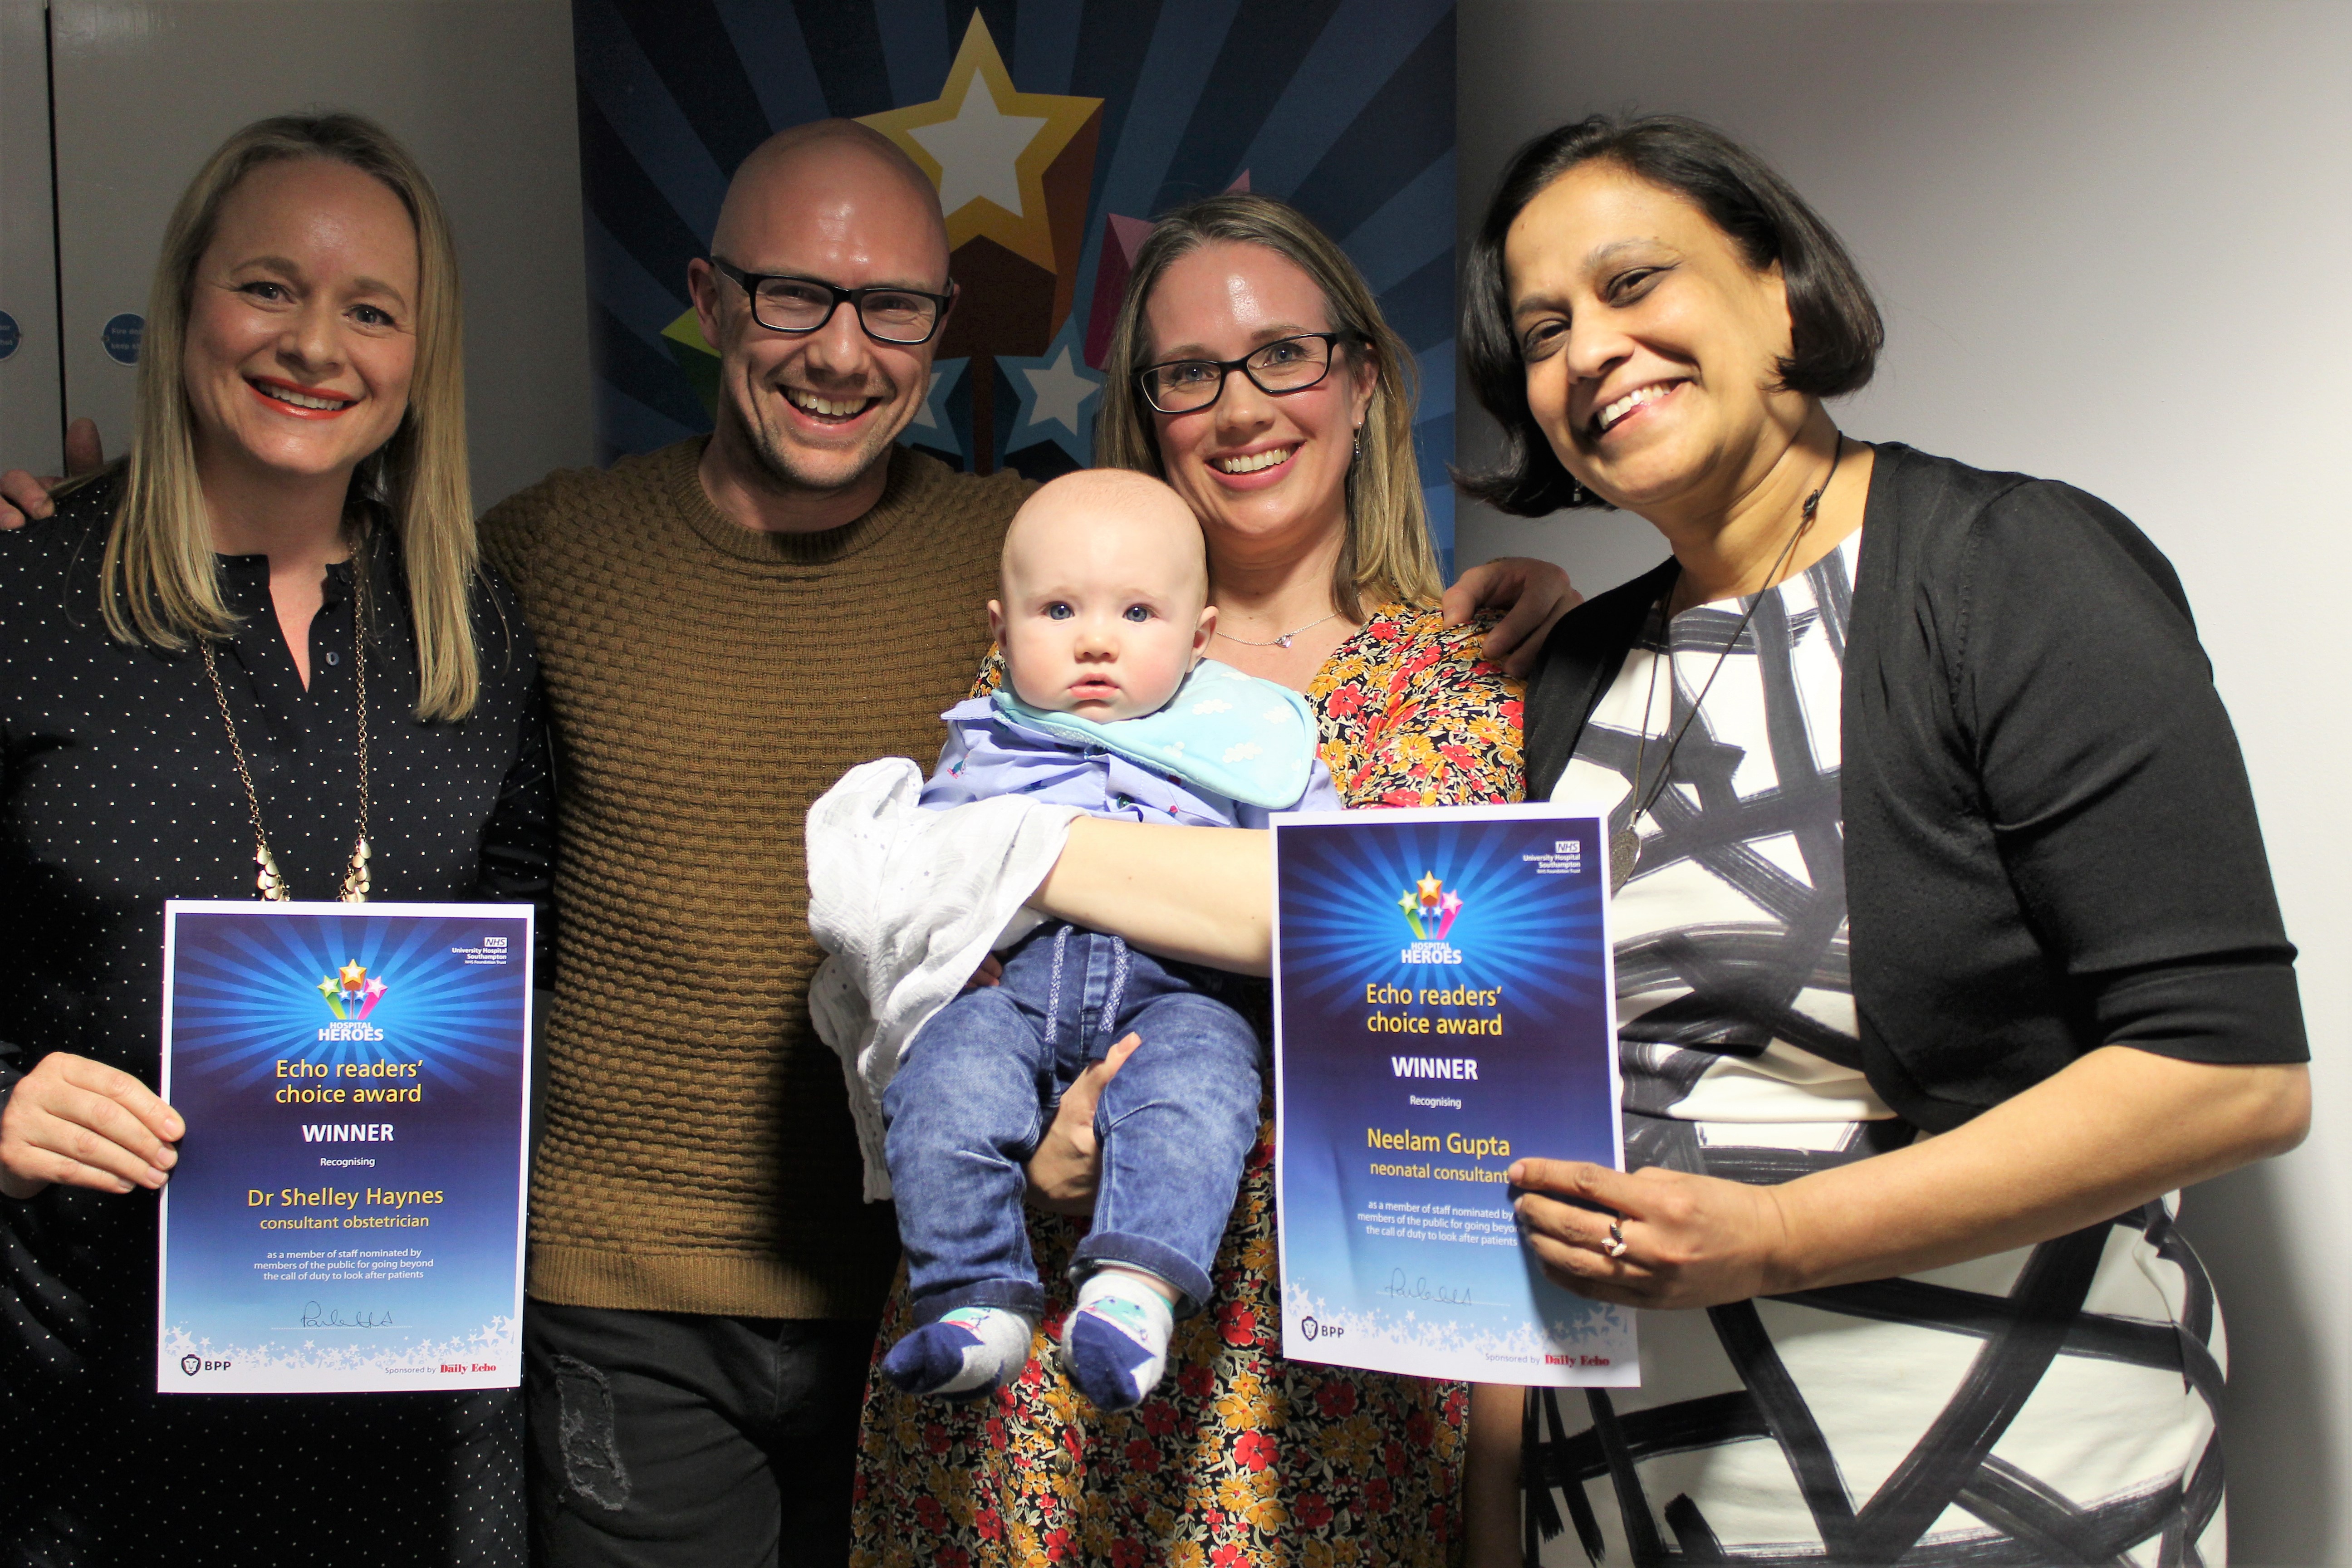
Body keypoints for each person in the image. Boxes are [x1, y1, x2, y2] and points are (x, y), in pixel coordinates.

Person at [1446, 113, 2308, 1562]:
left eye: (1633, 283)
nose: (1589, 350)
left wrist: (1779, 1237)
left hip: (2004, 1490)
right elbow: (1513, 1112)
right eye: (1543, 330)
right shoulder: (1573, 670)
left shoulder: (2009, 571)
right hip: (1618, 1511)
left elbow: (2229, 1078)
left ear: (1778, 287)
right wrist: (1495, 1516)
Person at [850, 192, 1525, 1567]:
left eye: (1285, 353)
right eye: (1187, 374)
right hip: (1037, 1392)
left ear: (1364, 383)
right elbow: (926, 967)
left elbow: (1511, 1113)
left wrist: (1499, 1494)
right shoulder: (1046, 689)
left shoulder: (1472, 694)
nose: (1240, 406)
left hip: (1342, 1401)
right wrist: (1034, 1152)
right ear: (1145, 413)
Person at [0, 112, 551, 1565]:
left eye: (371, 309)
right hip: (74, 1404)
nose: (317, 345)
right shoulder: (26, 594)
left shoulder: (475, 627)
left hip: (409, 1411)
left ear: (418, 358)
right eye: (269, 288)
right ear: (186, 299)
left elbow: (525, 927)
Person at [862, 468, 1336, 1413]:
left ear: (1199, 638)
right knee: (939, 1083)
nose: (1095, 641)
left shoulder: (1249, 740)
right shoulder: (978, 746)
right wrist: (943, 962)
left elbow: (1326, 891)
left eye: (1136, 613)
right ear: (1000, 630)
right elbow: (914, 889)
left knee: (1200, 1096)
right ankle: (970, 1302)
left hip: (1180, 996)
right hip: (1017, 991)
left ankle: (1134, 1293)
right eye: (1060, 609)